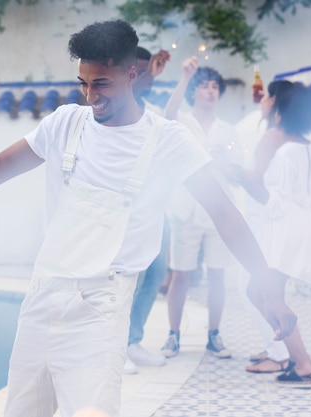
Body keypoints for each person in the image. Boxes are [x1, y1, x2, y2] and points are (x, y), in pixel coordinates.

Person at [0, 19, 296, 417]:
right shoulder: (65, 123)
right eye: (83, 83)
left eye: (101, 84)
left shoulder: (168, 140)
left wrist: (269, 288)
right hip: (42, 297)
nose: (90, 95)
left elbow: (226, 214)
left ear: (132, 75)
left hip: (102, 309)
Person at [231, 81, 311, 385]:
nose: (266, 102)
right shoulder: (308, 147)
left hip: (281, 225)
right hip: (303, 226)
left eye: (270, 100)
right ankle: (293, 355)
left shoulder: (274, 139)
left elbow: (258, 187)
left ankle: (300, 360)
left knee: (264, 292)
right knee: (262, 291)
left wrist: (232, 172)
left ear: (279, 111)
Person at [160, 58, 239, 359]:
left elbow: (237, 171)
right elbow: (167, 114)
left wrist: (224, 162)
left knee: (217, 275)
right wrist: (184, 77)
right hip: (186, 208)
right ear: (193, 92)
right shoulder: (182, 121)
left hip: (218, 211)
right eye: (204, 86)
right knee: (181, 274)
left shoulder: (228, 130)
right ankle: (173, 335)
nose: (210, 91)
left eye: (215, 87)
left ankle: (214, 335)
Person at [124, 45, 171, 375]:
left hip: (157, 207)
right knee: (131, 280)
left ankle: (132, 341)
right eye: (139, 72)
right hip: (127, 212)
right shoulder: (116, 112)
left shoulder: (152, 111)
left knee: (155, 274)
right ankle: (116, 347)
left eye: (147, 71)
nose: (146, 77)